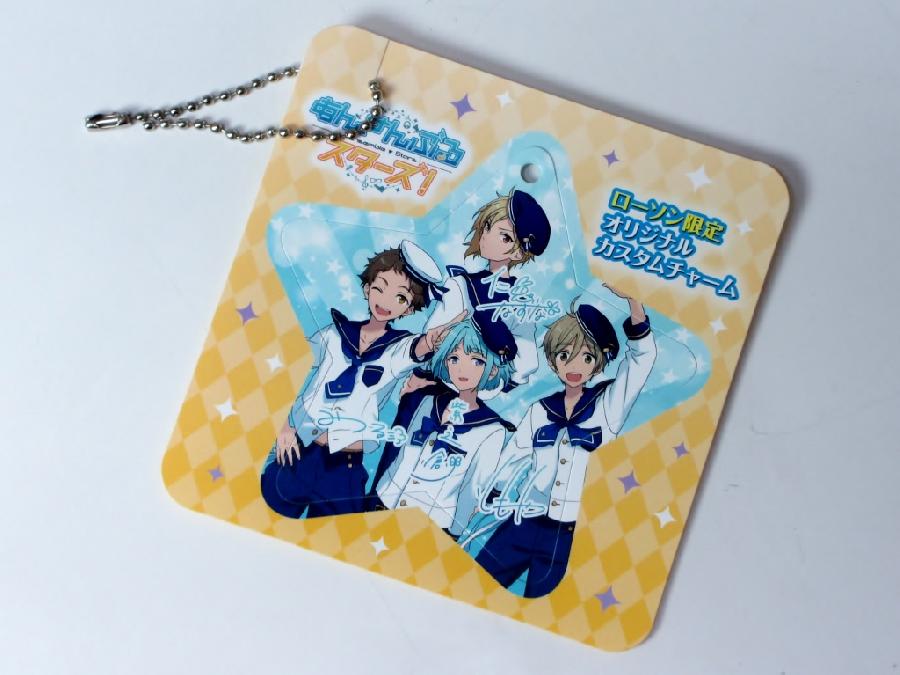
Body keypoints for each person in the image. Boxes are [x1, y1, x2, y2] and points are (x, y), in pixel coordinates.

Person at [473, 286, 657, 597]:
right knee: (476, 583)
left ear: (599, 361)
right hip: (524, 519)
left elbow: (642, 360)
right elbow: (514, 455)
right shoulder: (540, 410)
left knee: (541, 601)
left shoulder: (608, 405)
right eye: (564, 355)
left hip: (569, 533)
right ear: (553, 359)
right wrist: (496, 491)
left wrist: (634, 304)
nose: (574, 366)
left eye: (587, 357)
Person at [260, 240, 464, 519]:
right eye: (380, 288)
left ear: (408, 309)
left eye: (400, 298)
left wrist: (434, 339)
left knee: (333, 537)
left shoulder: (396, 349)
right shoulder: (333, 334)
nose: (386, 302)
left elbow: (418, 349)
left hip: (343, 467)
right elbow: (294, 371)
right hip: (299, 451)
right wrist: (285, 427)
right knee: (265, 517)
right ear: (367, 288)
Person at [369, 318, 516, 539]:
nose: (462, 368)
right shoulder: (424, 400)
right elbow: (394, 452)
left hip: (429, 527)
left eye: (477, 361)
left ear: (493, 370)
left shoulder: (492, 430)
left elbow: (472, 489)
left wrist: (454, 534)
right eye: (454, 358)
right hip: (384, 503)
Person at [407, 189, 552, 397]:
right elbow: (433, 336)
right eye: (487, 226)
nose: (487, 236)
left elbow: (526, 356)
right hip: (444, 382)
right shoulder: (460, 284)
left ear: (519, 252)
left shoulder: (514, 300)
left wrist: (498, 380)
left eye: (505, 237)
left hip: (474, 387)